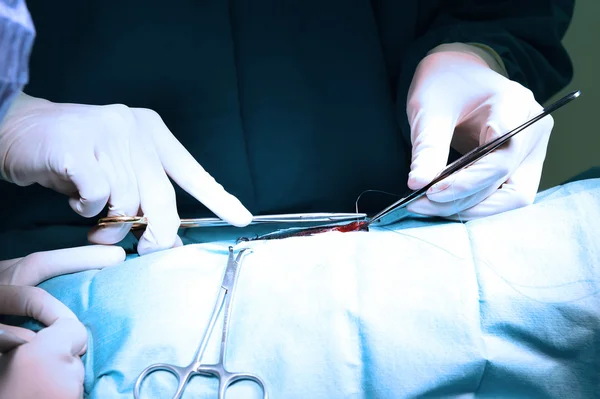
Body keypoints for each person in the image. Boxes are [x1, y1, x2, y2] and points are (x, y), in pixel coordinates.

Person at [0, 0, 575, 397]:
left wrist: (476, 53)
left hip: (399, 221)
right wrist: (8, 116)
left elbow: (508, 9)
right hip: (59, 256)